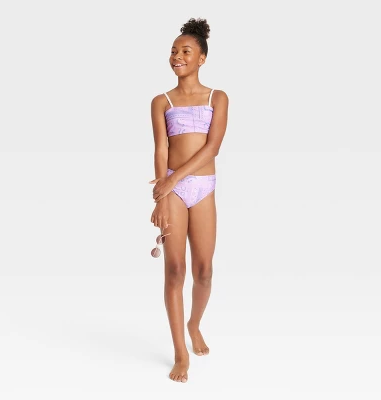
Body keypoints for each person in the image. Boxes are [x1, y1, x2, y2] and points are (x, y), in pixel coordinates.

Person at [149, 17, 229, 383]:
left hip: (202, 186)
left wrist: (172, 180)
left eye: (186, 51)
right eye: (173, 51)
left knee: (204, 271)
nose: (177, 56)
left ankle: (194, 323)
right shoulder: (161, 101)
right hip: (172, 192)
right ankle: (181, 353)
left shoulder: (217, 98)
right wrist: (163, 195)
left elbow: (213, 148)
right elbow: (161, 149)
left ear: (202, 59)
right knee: (175, 271)